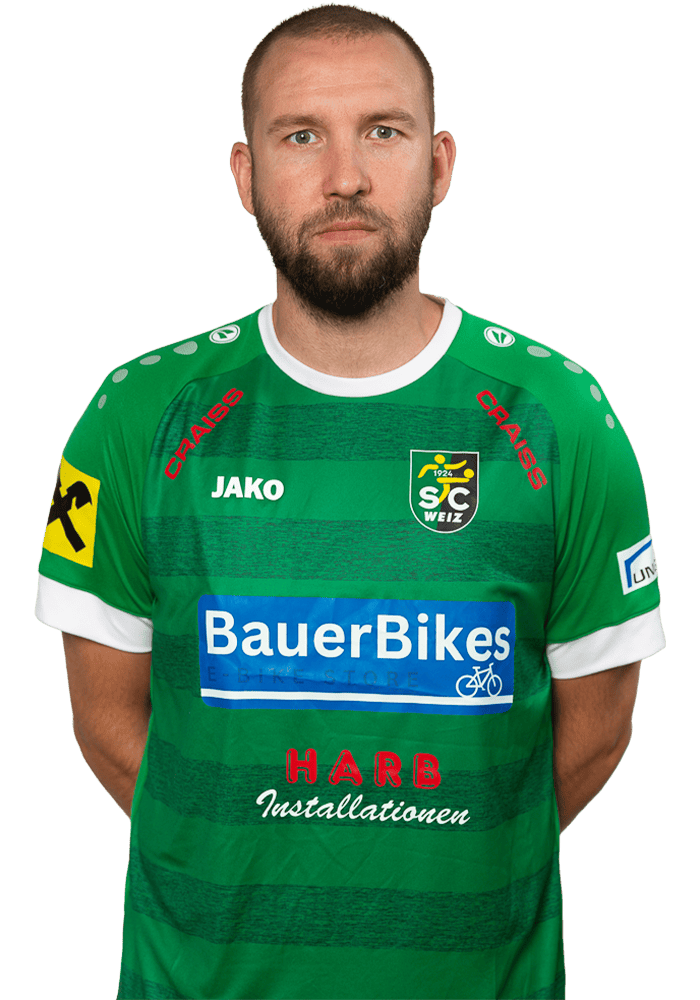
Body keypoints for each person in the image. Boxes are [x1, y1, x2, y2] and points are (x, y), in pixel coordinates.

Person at [34, 5, 665, 999]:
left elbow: (596, 730)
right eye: (300, 136)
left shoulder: (563, 418)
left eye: (383, 130)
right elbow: (108, 722)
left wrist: (453, 858)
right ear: (245, 174)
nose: (345, 177)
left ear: (439, 164)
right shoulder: (134, 417)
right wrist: (248, 859)